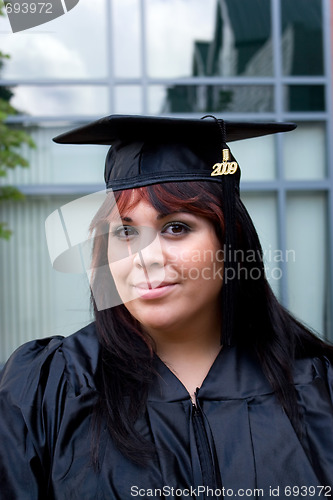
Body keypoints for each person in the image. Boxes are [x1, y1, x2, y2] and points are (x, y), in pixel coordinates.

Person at [0, 115, 333, 500]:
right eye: (125, 231)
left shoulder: (318, 387)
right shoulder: (48, 390)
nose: (146, 257)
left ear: (231, 242)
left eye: (176, 227)